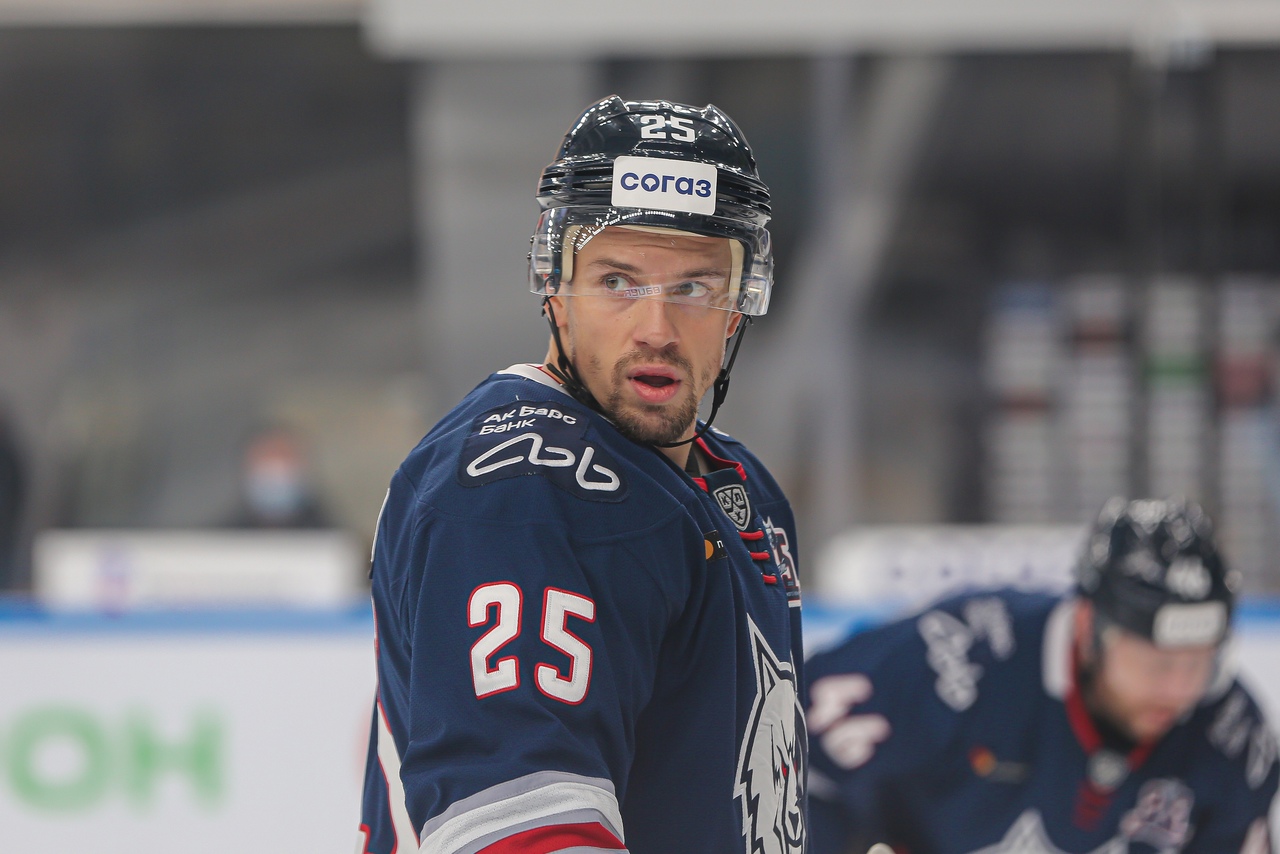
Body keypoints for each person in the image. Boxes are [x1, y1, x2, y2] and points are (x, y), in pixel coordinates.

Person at [357, 96, 806, 854]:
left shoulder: (741, 486)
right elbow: (524, 835)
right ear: (555, 287)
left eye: (694, 287)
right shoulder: (519, 488)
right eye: (617, 281)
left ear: (738, 307)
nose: (656, 329)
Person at [804, 497, 1278, 854]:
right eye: (1156, 664)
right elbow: (795, 755)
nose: (1180, 690)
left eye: (1200, 663)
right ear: (1088, 626)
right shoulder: (957, 658)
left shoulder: (1232, 736)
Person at [224, 424, 331, 529]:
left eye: (285, 457)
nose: (275, 473)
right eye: (266, 457)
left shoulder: (331, 532)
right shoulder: (223, 534)